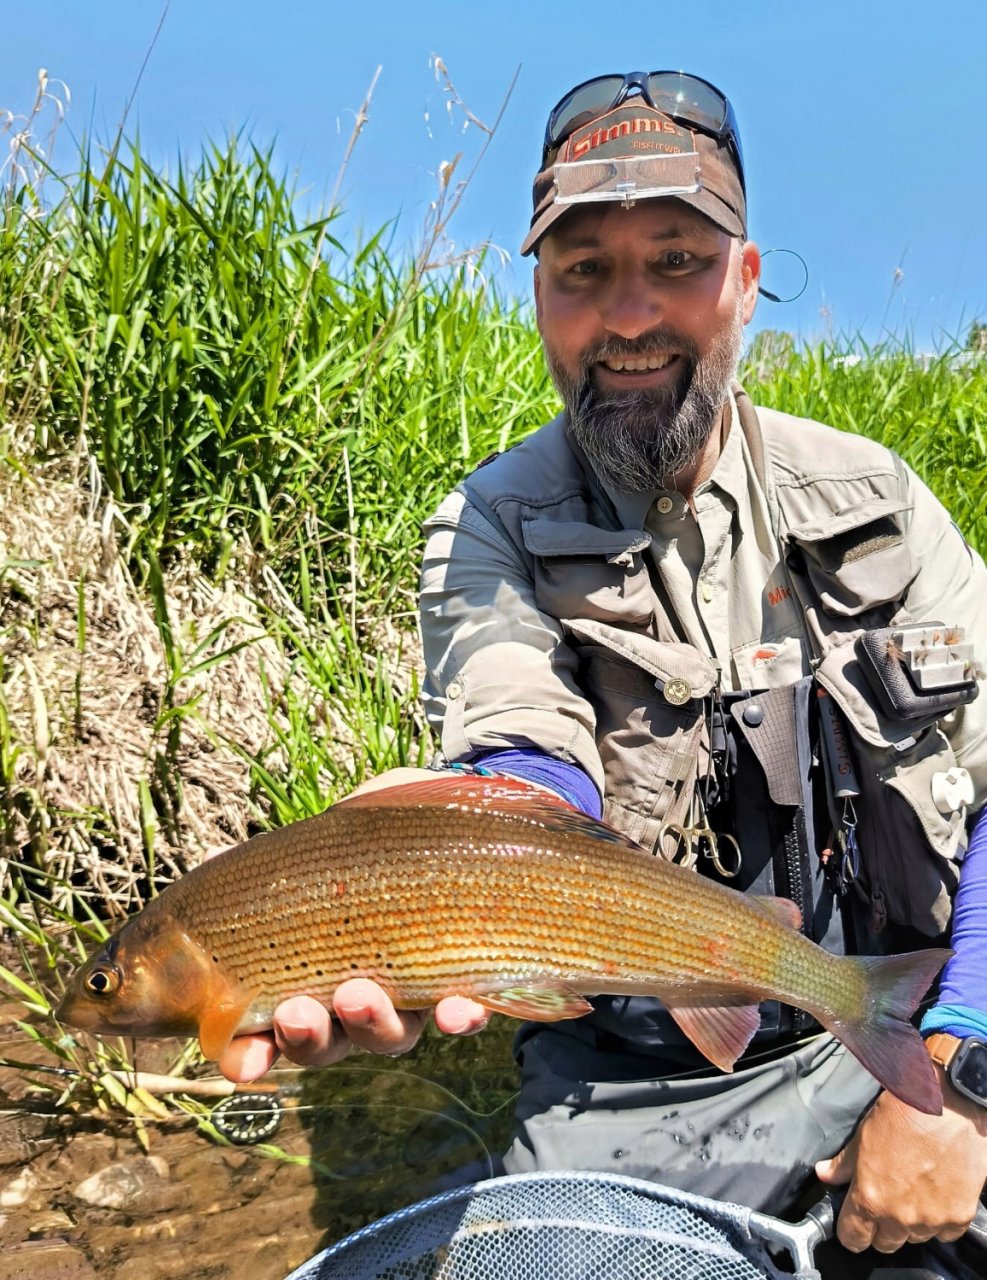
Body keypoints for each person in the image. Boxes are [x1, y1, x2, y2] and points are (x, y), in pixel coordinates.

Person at [220, 72, 987, 1275]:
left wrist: (962, 1069)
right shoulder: (492, 523)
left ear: (744, 279)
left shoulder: (877, 502)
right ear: (538, 298)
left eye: (675, 258)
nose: (628, 314)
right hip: (621, 1089)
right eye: (582, 269)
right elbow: (527, 753)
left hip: (905, 1030)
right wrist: (427, 853)